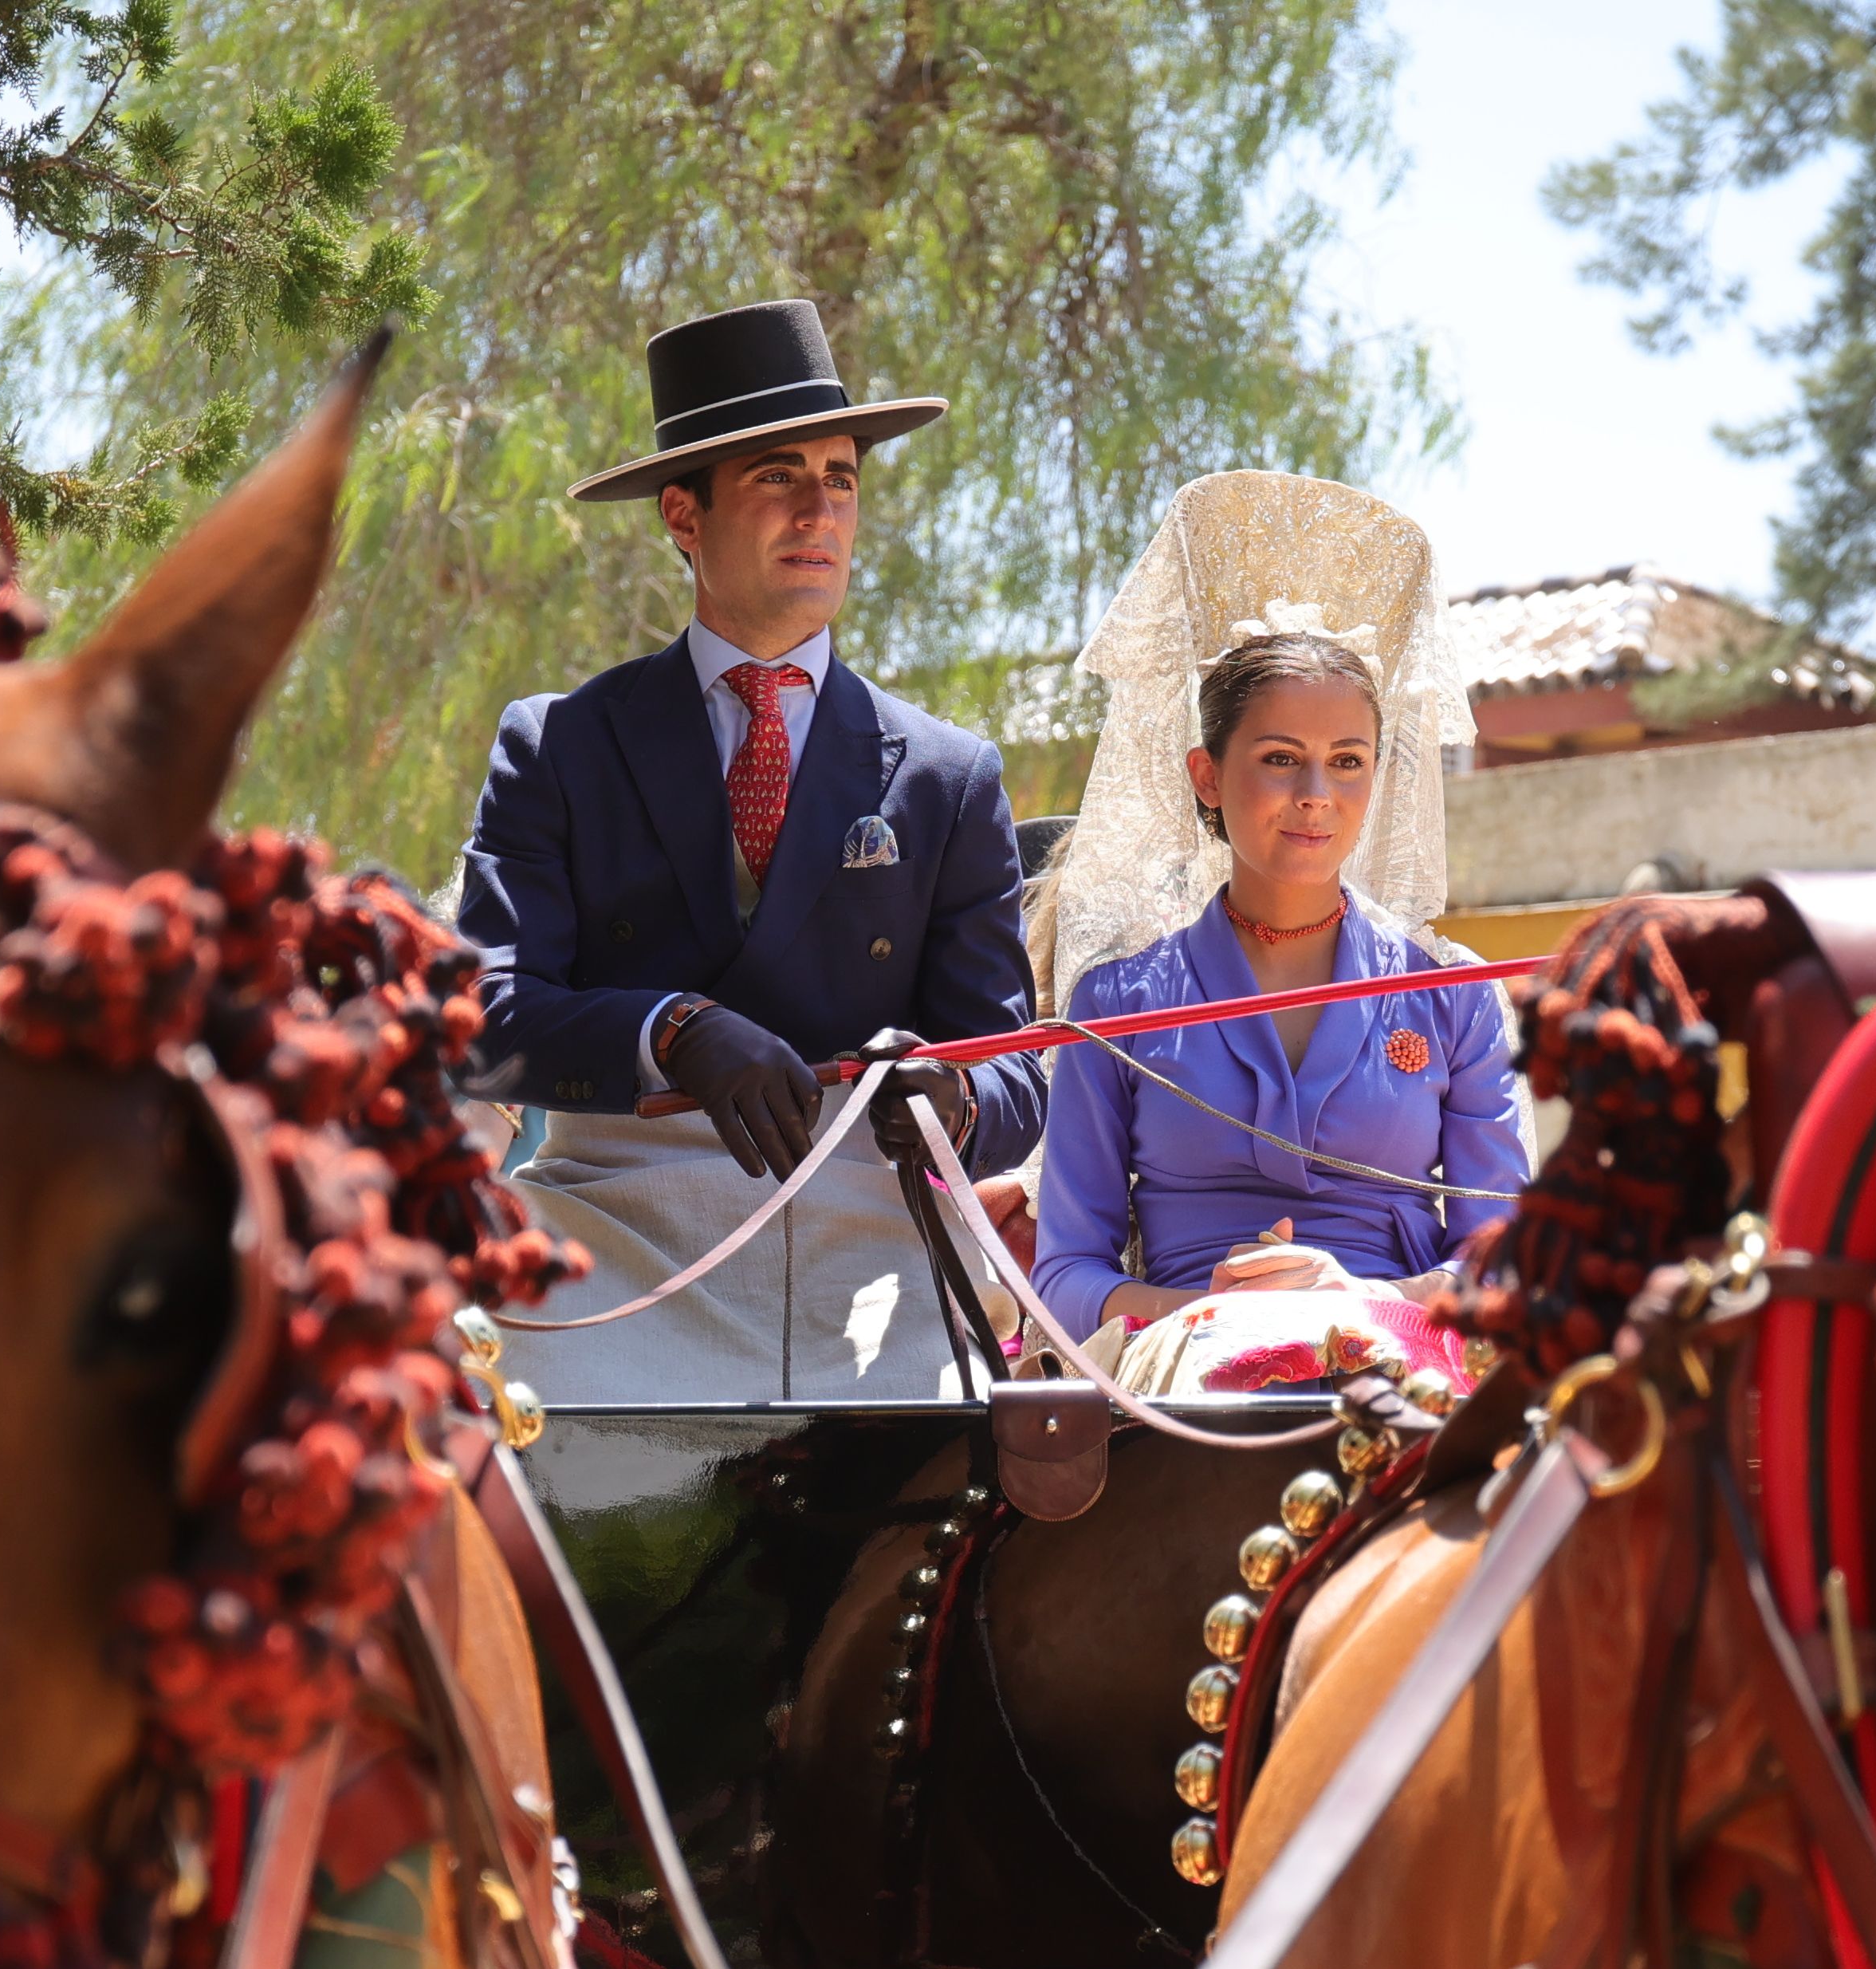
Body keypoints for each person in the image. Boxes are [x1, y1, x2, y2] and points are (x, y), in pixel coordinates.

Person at [462, 297, 1044, 1403]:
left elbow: (1014, 1070)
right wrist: (670, 1029)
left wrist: (951, 1098)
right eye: (778, 477)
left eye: (842, 478)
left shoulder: (949, 774)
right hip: (612, 1236)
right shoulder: (559, 746)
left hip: (877, 1252)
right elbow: (480, 1024)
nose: (819, 509)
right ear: (683, 514)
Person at [1024, 472, 1517, 1393]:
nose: (1316, 797)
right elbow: (1066, 1273)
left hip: (1396, 1358)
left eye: (1348, 763)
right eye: (1280, 760)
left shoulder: (1452, 994)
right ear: (1206, 776)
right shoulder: (1117, 1004)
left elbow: (1506, 1255)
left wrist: (1362, 1300)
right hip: (1186, 1369)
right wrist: (1203, 1313)